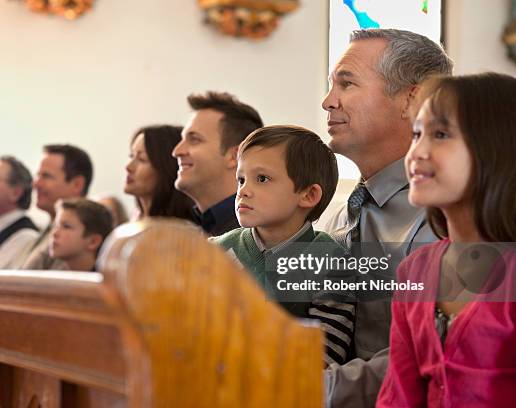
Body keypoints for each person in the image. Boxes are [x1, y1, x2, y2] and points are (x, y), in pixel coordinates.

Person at [321, 29, 453, 406]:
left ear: (413, 99)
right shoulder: (337, 215)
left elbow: (431, 351)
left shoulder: (447, 218)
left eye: (346, 83)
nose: (328, 101)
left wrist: (308, 386)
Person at [377, 72, 516, 406]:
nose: (416, 153)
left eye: (440, 134)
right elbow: (398, 396)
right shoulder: (415, 271)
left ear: (496, 147)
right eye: (416, 134)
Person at [213, 125, 354, 366]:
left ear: (308, 195)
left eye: (262, 179)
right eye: (241, 179)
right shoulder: (214, 252)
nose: (244, 191)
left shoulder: (330, 262)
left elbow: (323, 358)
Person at [173, 91, 263, 236]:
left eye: (194, 139)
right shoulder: (197, 230)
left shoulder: (258, 239)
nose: (177, 151)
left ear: (235, 156)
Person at [22, 144, 93, 271]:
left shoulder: (79, 238)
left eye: (46, 176)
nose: (36, 184)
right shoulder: (49, 228)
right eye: (38, 175)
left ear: (77, 184)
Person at [124, 125, 195, 221]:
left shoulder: (182, 231)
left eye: (142, 159)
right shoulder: (134, 220)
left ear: (166, 168)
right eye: (131, 156)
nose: (128, 167)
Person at [49, 198, 113, 271]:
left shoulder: (108, 280)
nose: (54, 233)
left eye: (66, 226)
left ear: (93, 241)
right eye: (55, 226)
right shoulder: (57, 274)